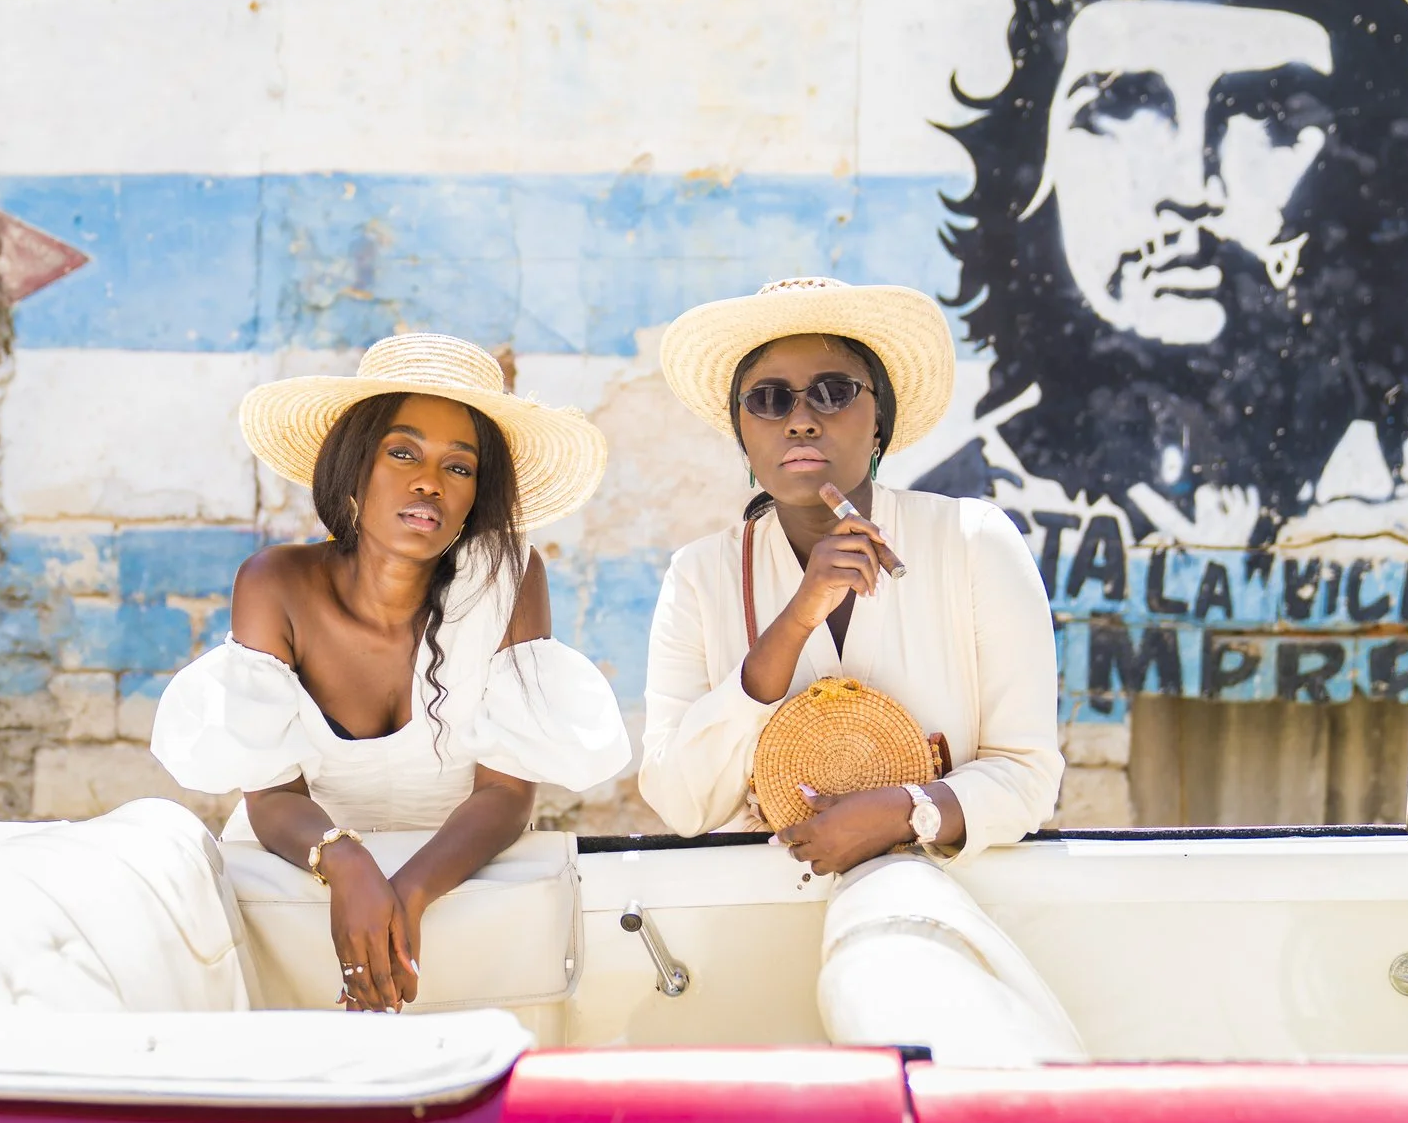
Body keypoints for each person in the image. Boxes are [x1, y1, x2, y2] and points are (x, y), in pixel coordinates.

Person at [918, 0, 1408, 549]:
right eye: (1122, 106)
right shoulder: (937, 533)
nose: (1191, 184)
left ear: (1372, 184)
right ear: (1033, 171)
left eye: (1269, 115)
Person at [640, 277, 1082, 1061]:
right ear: (744, 437)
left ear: (880, 420)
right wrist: (797, 617)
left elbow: (1027, 773)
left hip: (957, 945)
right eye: (768, 399)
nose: (800, 417)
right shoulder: (700, 577)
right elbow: (679, 799)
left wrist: (904, 812)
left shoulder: (973, 544)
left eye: (834, 391)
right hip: (758, 947)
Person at [151, 333, 629, 1013]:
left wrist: (405, 896)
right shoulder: (275, 585)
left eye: (458, 468)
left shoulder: (509, 580)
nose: (428, 481)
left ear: (475, 498)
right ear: (353, 468)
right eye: (402, 452)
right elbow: (271, 794)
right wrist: (346, 867)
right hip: (294, 893)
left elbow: (504, 791)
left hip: (461, 898)